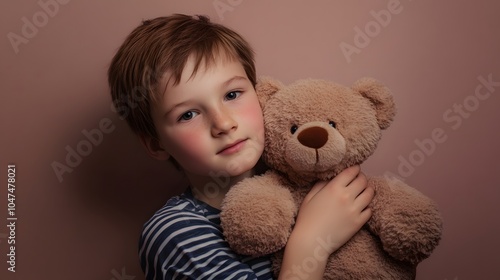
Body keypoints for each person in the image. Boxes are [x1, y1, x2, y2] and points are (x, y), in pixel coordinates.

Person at [107, 14, 374, 280]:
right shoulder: (175, 234)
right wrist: (313, 242)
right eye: (188, 114)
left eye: (232, 95)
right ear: (156, 144)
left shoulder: (307, 176)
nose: (223, 123)